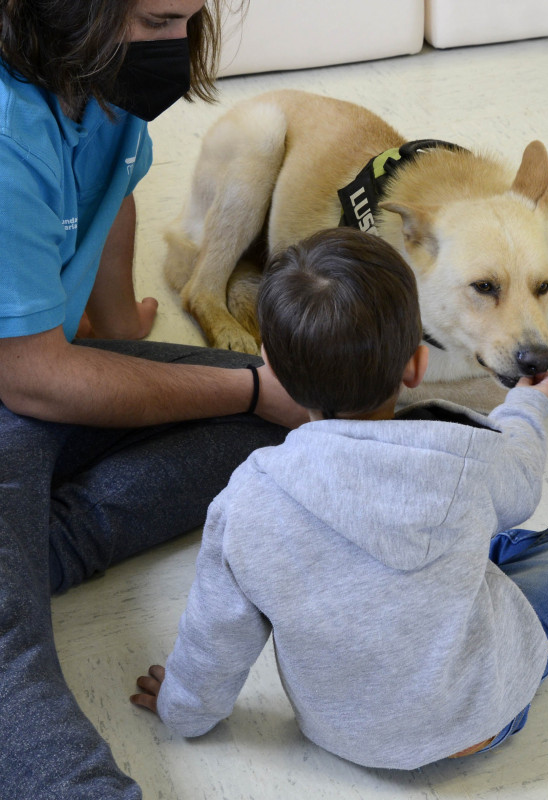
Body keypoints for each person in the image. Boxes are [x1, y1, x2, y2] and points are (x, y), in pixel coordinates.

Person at [128, 228, 548, 769]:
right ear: (416, 366)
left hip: (339, 734)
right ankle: (525, 655)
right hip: (482, 718)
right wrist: (526, 408)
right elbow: (522, 482)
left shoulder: (246, 501)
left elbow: (215, 635)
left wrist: (182, 707)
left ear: (270, 368)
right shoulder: (467, 460)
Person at [0, 1, 309, 797]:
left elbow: (113, 192)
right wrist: (243, 383)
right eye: (159, 19)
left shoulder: (90, 78)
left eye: (190, 18)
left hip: (37, 366)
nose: (176, 46)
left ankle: (40, 549)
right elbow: (30, 376)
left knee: (297, 417)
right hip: (20, 377)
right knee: (11, 660)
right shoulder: (5, 133)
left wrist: (112, 333)